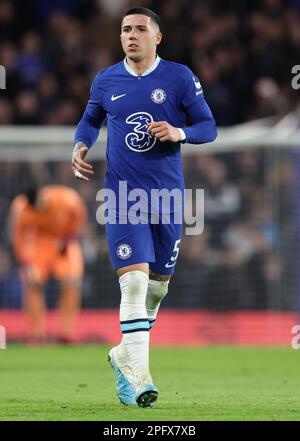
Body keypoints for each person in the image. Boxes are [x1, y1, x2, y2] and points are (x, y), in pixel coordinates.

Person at [72, 7, 217, 407]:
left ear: (158, 37)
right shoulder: (106, 79)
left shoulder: (179, 77)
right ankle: (142, 379)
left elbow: (209, 126)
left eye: (139, 29)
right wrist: (80, 144)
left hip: (168, 199)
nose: (130, 35)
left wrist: (179, 131)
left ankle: (123, 354)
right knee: (133, 284)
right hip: (121, 198)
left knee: (156, 290)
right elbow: (89, 119)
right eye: (125, 29)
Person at [10, 184, 87, 343]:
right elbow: (18, 237)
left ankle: (65, 335)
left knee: (72, 282)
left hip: (62, 240)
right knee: (32, 283)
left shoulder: (66, 198)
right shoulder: (20, 209)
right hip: (37, 243)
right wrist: (25, 263)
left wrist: (68, 238)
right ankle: (36, 336)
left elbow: (79, 215)